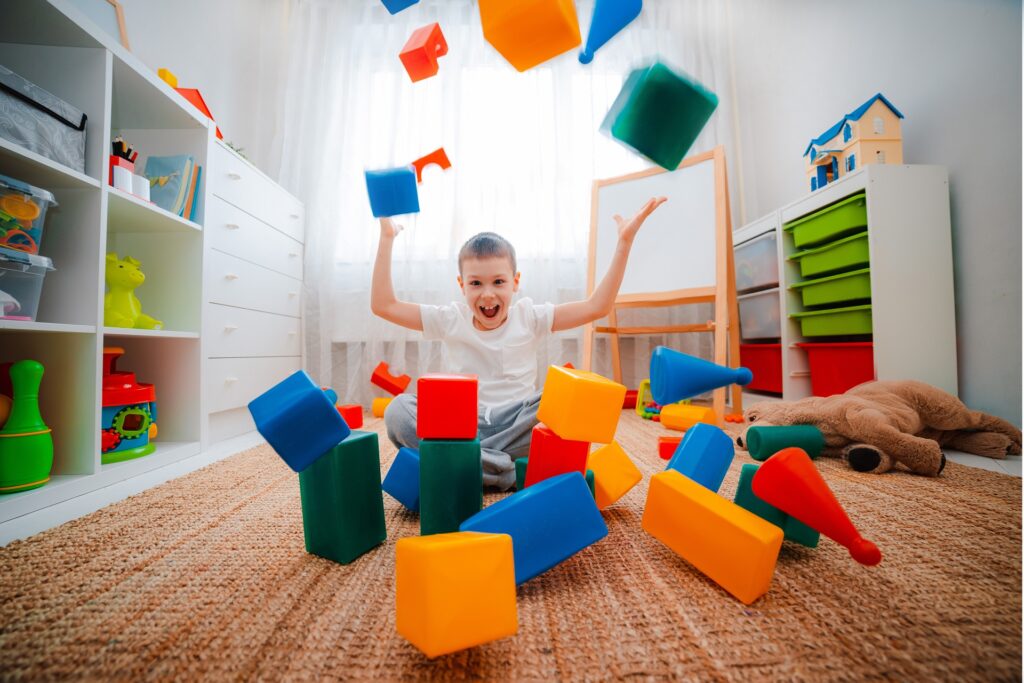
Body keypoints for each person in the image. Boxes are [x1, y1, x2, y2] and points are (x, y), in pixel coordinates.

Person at [370, 197, 666, 490]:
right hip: (461, 427)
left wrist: (624, 243)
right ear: (462, 285)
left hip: (518, 424)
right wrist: (387, 238)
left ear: (515, 281)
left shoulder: (530, 316)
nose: (487, 294)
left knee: (563, 398)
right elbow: (384, 305)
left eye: (498, 282)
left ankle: (464, 465)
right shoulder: (449, 318)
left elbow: (596, 306)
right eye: (476, 283)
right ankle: (504, 472)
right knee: (399, 411)